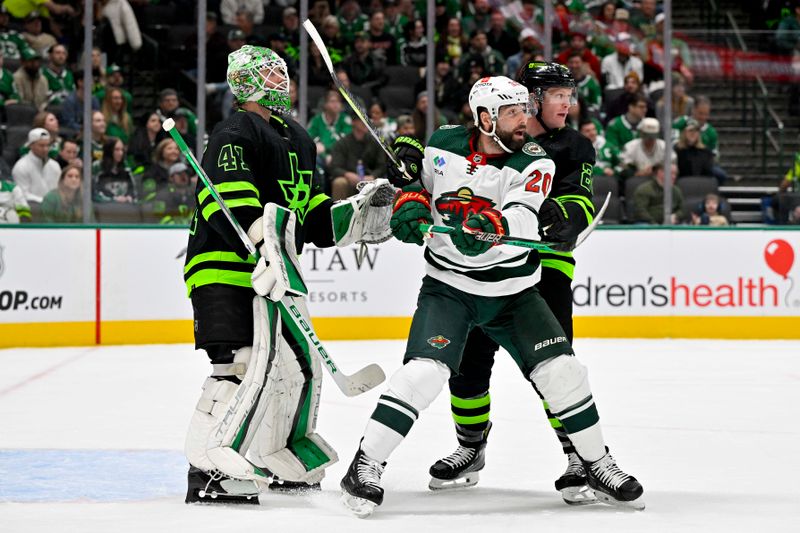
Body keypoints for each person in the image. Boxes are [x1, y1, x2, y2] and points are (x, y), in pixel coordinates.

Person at [340, 75, 643, 518]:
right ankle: (365, 465)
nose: (525, 120)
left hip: (513, 292)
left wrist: (497, 228)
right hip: (449, 288)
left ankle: (595, 462)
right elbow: (419, 187)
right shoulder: (443, 142)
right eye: (513, 112)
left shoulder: (534, 161)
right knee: (423, 374)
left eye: (525, 109)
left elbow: (523, 216)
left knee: (563, 372)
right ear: (485, 117)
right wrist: (408, 198)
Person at [424, 62, 604, 505]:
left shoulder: (574, 145)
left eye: (569, 94)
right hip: (485, 268)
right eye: (559, 94)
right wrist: (412, 160)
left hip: (544, 271)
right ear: (531, 99)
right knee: (466, 364)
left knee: (553, 370)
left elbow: (579, 197)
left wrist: (566, 213)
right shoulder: (494, 136)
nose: (568, 102)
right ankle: (470, 447)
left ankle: (579, 456)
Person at [183, 45, 351, 505]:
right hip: (223, 266)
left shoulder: (299, 138)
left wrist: (361, 216)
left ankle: (279, 454)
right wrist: (264, 246)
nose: (285, 81)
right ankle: (208, 470)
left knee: (293, 368)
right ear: (248, 82)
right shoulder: (234, 131)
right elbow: (227, 199)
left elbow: (311, 217)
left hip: (277, 269)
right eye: (273, 74)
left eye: (283, 73)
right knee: (236, 365)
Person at [12, 127, 60, 203]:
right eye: (41, 145)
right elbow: (22, 195)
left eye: (47, 145)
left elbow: (58, 191)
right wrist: (45, 202)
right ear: (31, 145)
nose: (45, 149)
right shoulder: (20, 167)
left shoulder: (55, 166)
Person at [93, 136, 135, 203]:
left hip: (125, 209)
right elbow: (95, 193)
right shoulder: (97, 166)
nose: (120, 153)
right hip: (104, 209)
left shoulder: (126, 167)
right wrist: (114, 200)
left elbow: (133, 191)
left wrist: (129, 197)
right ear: (109, 150)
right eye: (117, 150)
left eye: (122, 150)